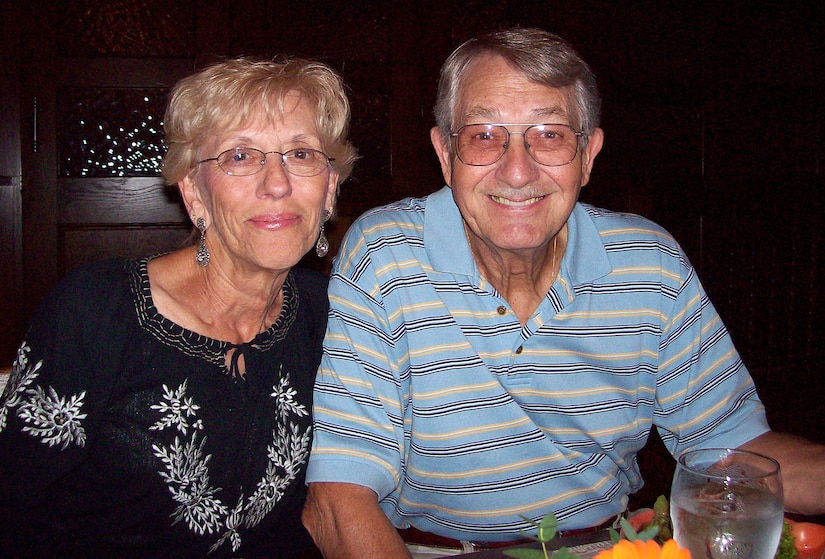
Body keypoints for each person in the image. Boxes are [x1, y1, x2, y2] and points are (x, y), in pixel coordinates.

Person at [301, 28, 825, 559]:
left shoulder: (650, 266)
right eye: (485, 135)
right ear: (445, 152)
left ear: (589, 154)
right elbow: (340, 497)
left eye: (549, 135)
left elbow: (733, 450)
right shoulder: (385, 255)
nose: (518, 169)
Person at [0, 56, 356, 558]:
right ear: (194, 194)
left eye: (301, 154)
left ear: (330, 190)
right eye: (239, 156)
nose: (277, 183)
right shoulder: (98, 311)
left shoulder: (335, 314)